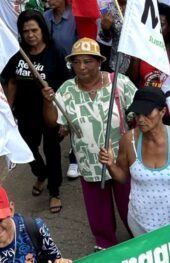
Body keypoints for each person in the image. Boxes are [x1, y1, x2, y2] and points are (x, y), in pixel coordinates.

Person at [42, 37, 137, 251]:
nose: (81, 67)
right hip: (89, 163)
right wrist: (48, 102)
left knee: (131, 206)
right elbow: (51, 122)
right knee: (98, 212)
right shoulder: (66, 90)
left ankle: (138, 241)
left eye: (88, 61)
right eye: (76, 62)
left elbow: (139, 113)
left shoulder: (119, 82)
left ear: (99, 62)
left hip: (122, 160)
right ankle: (105, 246)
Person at [98, 87, 170, 236]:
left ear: (163, 112)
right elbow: (122, 177)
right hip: (140, 224)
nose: (140, 119)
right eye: (137, 114)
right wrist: (110, 165)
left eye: (146, 113)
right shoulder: (128, 141)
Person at [3, 10, 71, 213]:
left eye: (34, 30)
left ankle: (54, 191)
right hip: (25, 112)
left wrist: (63, 120)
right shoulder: (18, 52)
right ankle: (41, 173)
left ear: (42, 29)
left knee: (51, 150)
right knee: (27, 148)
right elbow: (13, 81)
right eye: (26, 31)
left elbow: (67, 86)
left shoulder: (55, 51)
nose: (30, 35)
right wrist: (8, 109)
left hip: (49, 112)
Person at [44, 0, 80, 180]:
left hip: (73, 75)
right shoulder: (45, 17)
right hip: (52, 75)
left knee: (73, 112)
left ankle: (75, 157)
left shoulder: (75, 17)